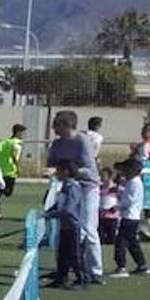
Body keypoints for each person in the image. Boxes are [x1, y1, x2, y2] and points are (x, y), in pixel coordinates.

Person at [46, 111, 102, 284]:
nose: (54, 128)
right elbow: (51, 162)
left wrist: (68, 171)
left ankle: (95, 270)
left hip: (87, 188)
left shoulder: (82, 141)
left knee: (87, 227)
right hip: (66, 187)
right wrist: (51, 171)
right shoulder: (57, 143)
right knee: (62, 228)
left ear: (67, 125)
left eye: (57, 125)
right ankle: (64, 268)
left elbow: (89, 169)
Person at [45, 160, 86, 288]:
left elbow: (68, 209)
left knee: (75, 254)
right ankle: (61, 278)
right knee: (62, 254)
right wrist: (49, 211)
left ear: (66, 172)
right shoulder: (65, 186)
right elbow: (60, 204)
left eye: (59, 170)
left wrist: (51, 215)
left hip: (73, 226)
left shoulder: (73, 187)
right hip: (64, 226)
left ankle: (82, 279)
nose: (56, 173)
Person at [110, 158, 150, 277]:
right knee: (132, 242)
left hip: (129, 216)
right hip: (132, 216)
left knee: (121, 241)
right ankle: (142, 265)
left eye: (125, 169)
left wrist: (117, 207)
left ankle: (121, 267)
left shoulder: (134, 183)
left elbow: (130, 200)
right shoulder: (132, 182)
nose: (124, 172)